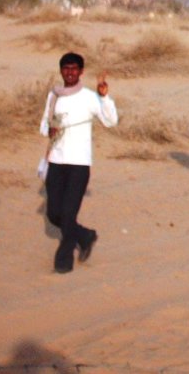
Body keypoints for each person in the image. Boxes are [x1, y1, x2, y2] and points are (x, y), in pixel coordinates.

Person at [40, 52, 119, 273]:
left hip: (79, 164)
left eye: (74, 68)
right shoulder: (53, 96)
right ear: (61, 71)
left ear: (81, 72)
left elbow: (111, 121)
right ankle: (85, 235)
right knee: (54, 213)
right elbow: (43, 125)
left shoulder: (89, 97)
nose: (70, 72)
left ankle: (63, 261)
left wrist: (104, 97)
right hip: (55, 161)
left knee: (67, 215)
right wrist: (50, 129)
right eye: (66, 68)